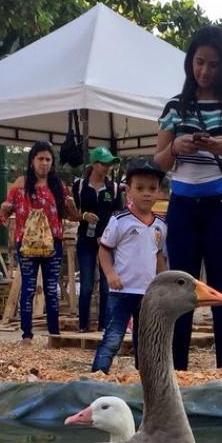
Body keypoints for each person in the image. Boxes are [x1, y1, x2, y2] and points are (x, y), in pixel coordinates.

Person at [154, 25, 222, 371]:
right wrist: (176, 146)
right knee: (180, 289)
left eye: (213, 64)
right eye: (199, 62)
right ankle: (177, 373)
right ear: (190, 62)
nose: (204, 71)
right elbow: (158, 162)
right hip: (182, 207)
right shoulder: (175, 105)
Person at [0, 141, 81, 342]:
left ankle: (54, 335)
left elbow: (74, 217)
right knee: (28, 288)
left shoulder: (58, 186)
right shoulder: (20, 184)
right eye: (40, 159)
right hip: (26, 244)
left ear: (52, 163)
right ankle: (27, 335)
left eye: (48, 159)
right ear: (32, 160)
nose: (44, 163)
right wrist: (5, 208)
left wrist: (72, 207)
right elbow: (3, 214)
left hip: (53, 243)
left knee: (52, 289)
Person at [90, 158, 168, 374]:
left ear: (159, 191)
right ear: (128, 191)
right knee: (113, 338)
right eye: (140, 188)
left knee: (145, 340)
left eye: (152, 188)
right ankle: (97, 376)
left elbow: (158, 255)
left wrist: (165, 282)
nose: (146, 193)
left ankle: (143, 379)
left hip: (148, 293)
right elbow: (104, 249)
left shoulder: (161, 225)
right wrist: (110, 273)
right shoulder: (120, 220)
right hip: (122, 291)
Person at [73, 146, 123, 332]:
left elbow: (118, 215)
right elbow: (72, 212)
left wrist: (108, 235)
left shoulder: (114, 188)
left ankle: (104, 326)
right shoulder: (79, 186)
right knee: (86, 284)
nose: (107, 167)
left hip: (107, 242)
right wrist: (84, 215)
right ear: (94, 164)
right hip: (85, 239)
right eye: (104, 163)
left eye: (109, 164)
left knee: (105, 285)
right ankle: (83, 325)